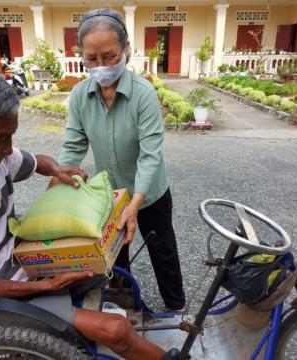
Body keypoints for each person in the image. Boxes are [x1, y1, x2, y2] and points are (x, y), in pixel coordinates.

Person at [0, 64, 164, 360]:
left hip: (21, 268)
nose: (8, 149)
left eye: (11, 136)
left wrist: (57, 168)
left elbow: (37, 162)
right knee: (116, 330)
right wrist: (48, 285)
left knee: (98, 259)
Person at [55, 8, 186, 312]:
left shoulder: (143, 94)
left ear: (126, 50)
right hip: (111, 195)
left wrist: (136, 204)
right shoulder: (78, 96)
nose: (100, 66)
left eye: (110, 56)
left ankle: (177, 308)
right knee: (115, 257)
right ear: (82, 56)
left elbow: (151, 154)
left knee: (162, 250)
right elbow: (73, 146)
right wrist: (57, 184)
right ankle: (125, 307)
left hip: (150, 193)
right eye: (91, 58)